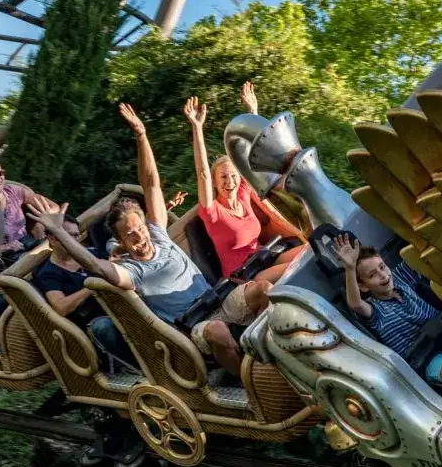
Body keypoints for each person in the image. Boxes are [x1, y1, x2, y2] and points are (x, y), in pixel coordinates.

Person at [28, 103, 273, 375]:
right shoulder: (130, 270)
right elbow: (97, 267)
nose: (139, 237)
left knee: (262, 288)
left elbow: (151, 183)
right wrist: (60, 232)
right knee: (216, 330)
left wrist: (142, 135)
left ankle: (271, 354)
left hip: (216, 301)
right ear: (121, 239)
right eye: (130, 234)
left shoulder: (158, 233)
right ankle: (252, 383)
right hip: (191, 327)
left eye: (140, 229)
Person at [334, 235, 442, 416]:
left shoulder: (400, 279)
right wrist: (350, 269)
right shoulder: (375, 311)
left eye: (382, 267)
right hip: (430, 358)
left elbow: (418, 254)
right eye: (372, 275)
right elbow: (355, 304)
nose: (383, 275)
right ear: (364, 287)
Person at [183, 81, 304, 283]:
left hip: (265, 258)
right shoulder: (212, 212)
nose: (230, 182)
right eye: (223, 177)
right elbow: (202, 172)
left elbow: (253, 157)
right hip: (244, 276)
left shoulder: (242, 193)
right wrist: (197, 127)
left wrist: (253, 112)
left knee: (313, 250)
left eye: (233, 176)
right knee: (294, 269)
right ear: (213, 182)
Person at [34, 214, 102, 330]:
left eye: (76, 235)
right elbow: (61, 307)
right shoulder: (48, 274)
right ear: (52, 239)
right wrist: (94, 286)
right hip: (92, 323)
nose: (74, 240)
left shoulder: (92, 254)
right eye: (68, 236)